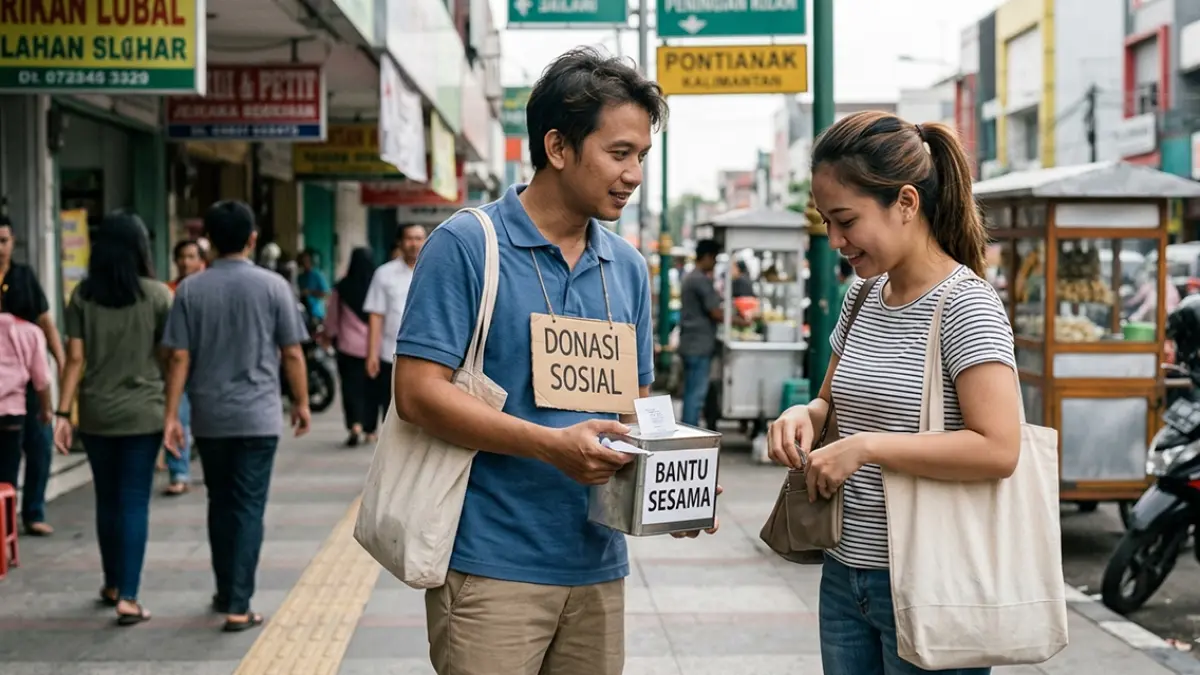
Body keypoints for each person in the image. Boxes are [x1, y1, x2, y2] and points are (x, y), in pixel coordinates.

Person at [394, 47, 716, 675]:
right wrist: (550, 445)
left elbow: (634, 408)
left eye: (642, 156)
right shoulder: (467, 245)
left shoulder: (627, 267)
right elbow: (417, 393)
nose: (633, 174)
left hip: (598, 564)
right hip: (491, 564)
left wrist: (671, 485)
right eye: (619, 153)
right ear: (558, 147)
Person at [766, 111, 1021, 675]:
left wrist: (866, 448)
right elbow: (829, 402)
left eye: (846, 220)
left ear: (906, 202)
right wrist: (802, 414)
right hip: (844, 573)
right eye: (827, 221)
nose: (835, 240)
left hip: (931, 580)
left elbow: (999, 448)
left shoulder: (965, 304)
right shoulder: (864, 295)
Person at [161, 200, 311, 633]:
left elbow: (178, 357)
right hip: (258, 417)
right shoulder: (274, 286)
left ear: (207, 241)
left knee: (220, 502)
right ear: (252, 238)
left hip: (209, 417)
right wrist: (301, 403)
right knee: (247, 507)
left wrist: (171, 415)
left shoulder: (189, 290)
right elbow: (292, 352)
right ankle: (239, 605)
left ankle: (226, 590)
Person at [51, 211, 174, 626]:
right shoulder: (158, 296)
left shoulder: (82, 297)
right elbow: (169, 357)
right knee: (134, 499)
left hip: (97, 413)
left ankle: (111, 583)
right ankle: (130, 596)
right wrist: (173, 411)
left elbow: (74, 359)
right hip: (144, 412)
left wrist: (62, 413)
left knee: (107, 498)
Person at [0, 214, 65, 536]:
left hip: (28, 377)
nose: (0, 248)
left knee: (39, 444)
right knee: (7, 456)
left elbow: (46, 322)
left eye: (4, 241)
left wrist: (63, 362)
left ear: (13, 242)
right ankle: (5, 518)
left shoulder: (24, 277)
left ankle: (33, 512)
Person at [364, 223, 426, 426]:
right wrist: (372, 354)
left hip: (427, 355)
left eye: (419, 238)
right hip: (390, 355)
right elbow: (376, 315)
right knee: (391, 411)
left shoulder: (435, 271)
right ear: (400, 242)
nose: (414, 243)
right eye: (409, 238)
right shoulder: (384, 274)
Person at [162, 239, 207, 495]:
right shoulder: (167, 291)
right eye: (182, 257)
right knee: (178, 417)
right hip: (177, 367)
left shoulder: (210, 289)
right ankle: (179, 473)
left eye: (191, 256)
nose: (186, 262)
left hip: (207, 366)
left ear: (202, 260)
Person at [324, 247, 377, 446]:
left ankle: (355, 424)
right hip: (374, 347)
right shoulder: (376, 287)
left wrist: (329, 335)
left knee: (350, 387)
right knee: (371, 389)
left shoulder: (342, 287)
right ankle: (370, 429)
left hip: (348, 347)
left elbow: (332, 316)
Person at [0, 296, 52, 487]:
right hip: (11, 412)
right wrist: (46, 410)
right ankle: (7, 504)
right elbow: (41, 380)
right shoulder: (31, 332)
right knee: (8, 469)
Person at [677, 239, 725, 428]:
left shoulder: (690, 276)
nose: (714, 263)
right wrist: (738, 319)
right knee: (695, 394)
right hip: (699, 344)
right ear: (706, 257)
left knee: (691, 391)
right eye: (714, 258)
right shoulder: (700, 280)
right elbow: (715, 312)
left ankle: (688, 430)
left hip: (690, 342)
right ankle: (690, 432)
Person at [296, 249, 330, 324]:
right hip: (303, 311)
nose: (303, 264)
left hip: (316, 312)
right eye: (301, 262)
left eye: (305, 261)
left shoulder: (317, 275)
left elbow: (326, 293)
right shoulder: (300, 277)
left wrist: (310, 292)